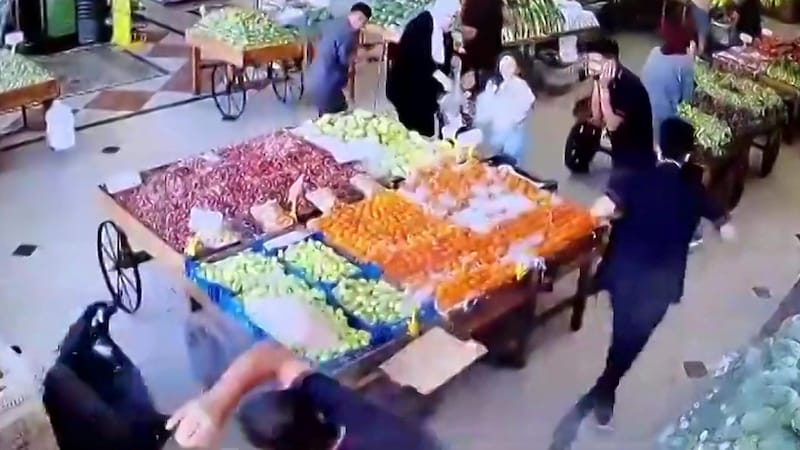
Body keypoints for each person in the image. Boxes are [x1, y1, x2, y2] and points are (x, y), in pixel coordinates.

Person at [551, 118, 735, 449]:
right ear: (689, 154)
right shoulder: (695, 191)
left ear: (659, 147)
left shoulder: (638, 178)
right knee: (630, 344)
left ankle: (601, 396)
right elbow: (726, 227)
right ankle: (599, 397)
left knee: (622, 339)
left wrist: (618, 216)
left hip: (624, 276)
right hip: (660, 288)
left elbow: (599, 210)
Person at [166, 341, 443, 450]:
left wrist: (217, 408)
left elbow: (275, 361)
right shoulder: (351, 412)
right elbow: (276, 359)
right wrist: (215, 403)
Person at [386, 0, 460, 137]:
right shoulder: (420, 26)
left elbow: (444, 57)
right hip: (408, 87)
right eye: (452, 17)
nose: (453, 23)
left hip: (427, 89)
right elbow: (415, 58)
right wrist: (439, 75)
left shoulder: (445, 31)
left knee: (428, 130)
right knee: (413, 132)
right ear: (442, 14)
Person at [584, 38, 656, 171]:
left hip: (636, 160)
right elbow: (597, 118)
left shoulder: (629, 86)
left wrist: (604, 90)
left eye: (595, 62)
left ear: (611, 62)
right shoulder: (604, 79)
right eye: (588, 62)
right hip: (621, 151)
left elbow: (612, 125)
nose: (590, 66)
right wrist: (597, 81)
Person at [642, 3, 697, 140]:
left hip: (646, 119)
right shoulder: (685, 64)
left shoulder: (653, 53)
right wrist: (692, 60)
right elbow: (688, 102)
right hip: (668, 127)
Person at [307, 3, 372, 116]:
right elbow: (344, 59)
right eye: (359, 18)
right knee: (336, 114)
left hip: (317, 73)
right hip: (329, 79)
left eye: (364, 22)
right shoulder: (348, 34)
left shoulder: (337, 23)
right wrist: (362, 56)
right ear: (351, 14)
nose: (360, 23)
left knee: (326, 112)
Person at [474, 51, 535, 166]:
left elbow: (528, 103)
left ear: (517, 68)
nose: (507, 69)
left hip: (515, 128)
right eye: (503, 65)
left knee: (512, 157)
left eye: (510, 65)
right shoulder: (494, 84)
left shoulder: (520, 85)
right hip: (497, 129)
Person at [460, 0, 504, 88]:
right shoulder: (494, 3)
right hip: (491, 62)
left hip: (474, 67)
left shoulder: (475, 3)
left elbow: (471, 32)